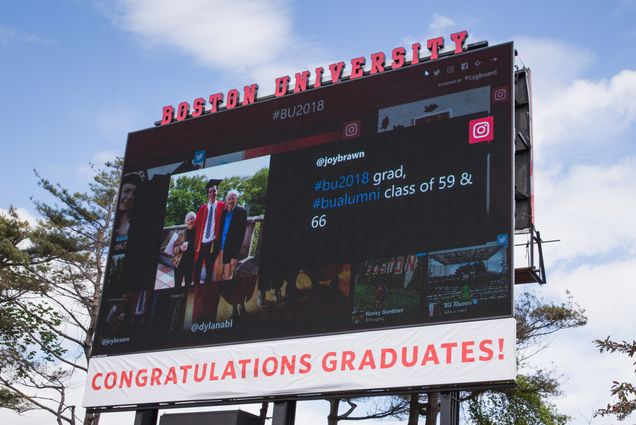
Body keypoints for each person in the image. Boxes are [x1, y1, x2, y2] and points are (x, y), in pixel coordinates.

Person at [193, 179, 225, 285]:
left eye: (214, 191)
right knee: (197, 267)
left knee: (209, 269)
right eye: (210, 192)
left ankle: (207, 289)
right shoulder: (202, 208)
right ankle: (196, 287)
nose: (212, 193)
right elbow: (195, 226)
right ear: (208, 194)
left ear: (217, 192)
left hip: (212, 243)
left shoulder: (221, 206)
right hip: (201, 244)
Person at [214, 190, 248, 281]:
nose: (230, 201)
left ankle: (225, 295)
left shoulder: (241, 212)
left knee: (228, 277)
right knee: (217, 277)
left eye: (233, 199)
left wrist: (235, 256)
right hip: (220, 250)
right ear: (226, 200)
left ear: (236, 199)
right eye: (229, 199)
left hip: (231, 251)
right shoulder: (223, 212)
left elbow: (241, 236)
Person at [115, 173, 142, 241]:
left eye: (134, 194)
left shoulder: (139, 224)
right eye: (126, 191)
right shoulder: (113, 221)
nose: (129, 197)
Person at [172, 211, 197, 286]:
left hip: (190, 265)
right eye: (188, 220)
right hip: (179, 263)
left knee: (188, 285)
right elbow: (174, 248)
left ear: (195, 220)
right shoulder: (181, 233)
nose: (190, 221)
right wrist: (180, 248)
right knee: (177, 285)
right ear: (186, 222)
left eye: (192, 219)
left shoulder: (198, 233)